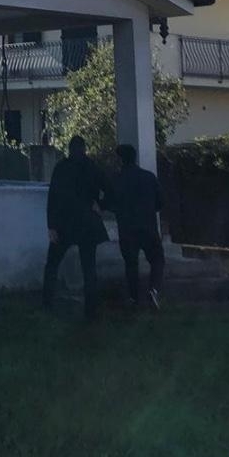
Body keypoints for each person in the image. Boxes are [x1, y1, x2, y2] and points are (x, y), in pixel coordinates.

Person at [42, 135, 109, 320]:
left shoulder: (62, 168)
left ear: (69, 150)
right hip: (87, 222)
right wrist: (101, 205)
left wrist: (51, 226)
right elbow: (110, 189)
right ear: (84, 149)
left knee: (52, 264)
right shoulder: (92, 167)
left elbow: (53, 198)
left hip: (65, 222)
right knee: (89, 268)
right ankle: (91, 310)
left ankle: (47, 304)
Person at [111, 143, 165, 310]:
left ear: (121, 160)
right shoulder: (149, 177)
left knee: (131, 264)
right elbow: (160, 202)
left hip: (127, 229)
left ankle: (134, 297)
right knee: (157, 259)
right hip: (148, 226)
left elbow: (111, 203)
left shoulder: (117, 180)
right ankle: (153, 289)